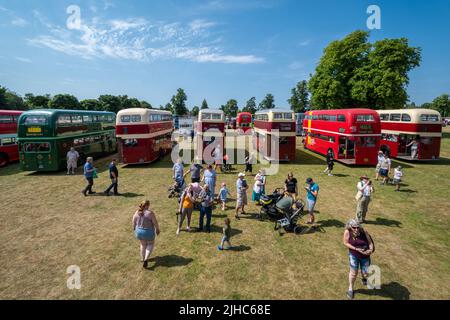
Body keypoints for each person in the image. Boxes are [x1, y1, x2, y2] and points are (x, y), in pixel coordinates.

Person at [343, 219, 374, 300]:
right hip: (354, 255)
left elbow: (370, 243)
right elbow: (345, 242)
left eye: (358, 227)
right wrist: (356, 249)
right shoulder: (347, 232)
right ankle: (350, 288)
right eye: (354, 227)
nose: (356, 229)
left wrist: (370, 250)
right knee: (353, 273)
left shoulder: (364, 232)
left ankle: (363, 277)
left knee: (366, 274)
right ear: (350, 227)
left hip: (365, 256)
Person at [132, 200, 160, 268]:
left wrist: (134, 228)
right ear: (147, 205)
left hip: (139, 232)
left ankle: (142, 258)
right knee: (150, 244)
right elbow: (155, 222)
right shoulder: (150, 213)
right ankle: (146, 259)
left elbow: (133, 221)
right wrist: (157, 229)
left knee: (142, 244)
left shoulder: (137, 212)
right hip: (148, 232)